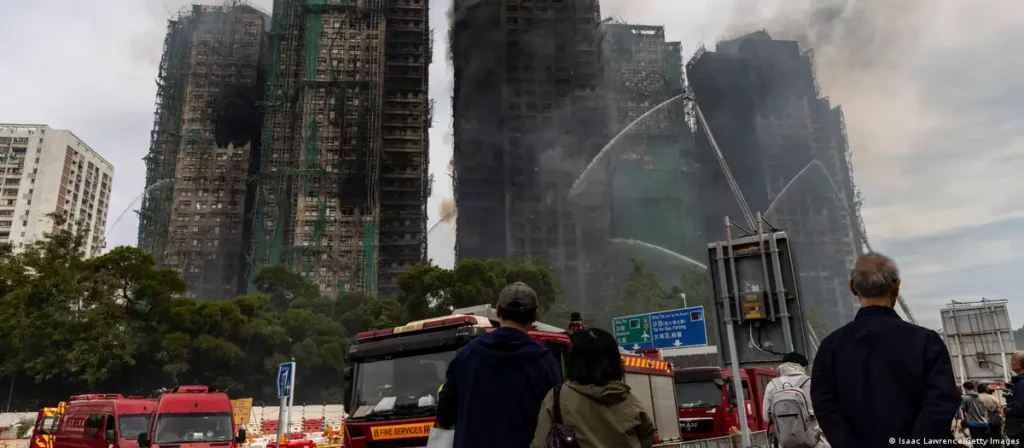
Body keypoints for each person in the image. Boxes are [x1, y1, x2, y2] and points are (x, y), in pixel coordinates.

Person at [810, 253, 960, 447]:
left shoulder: (831, 346)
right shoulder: (926, 341)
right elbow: (941, 402)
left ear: (853, 287)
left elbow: (824, 406)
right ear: (896, 286)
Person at [436, 282, 562, 448]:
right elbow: (558, 419)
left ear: (499, 311)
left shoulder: (466, 356)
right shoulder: (546, 363)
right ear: (534, 315)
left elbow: (444, 415)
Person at [530, 328, 656, 448]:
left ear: (575, 359)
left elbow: (540, 443)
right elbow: (647, 439)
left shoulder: (557, 397)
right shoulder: (629, 400)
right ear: (614, 361)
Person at [762, 352, 830, 448]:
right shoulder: (814, 383)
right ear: (803, 367)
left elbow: (766, 417)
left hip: (787, 442)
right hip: (816, 441)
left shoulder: (772, 385)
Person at [1005, 351, 1024, 446]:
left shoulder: (1021, 383)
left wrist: (1006, 410)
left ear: (1019, 364)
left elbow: (1020, 407)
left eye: (1012, 360)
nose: (1011, 363)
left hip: (1019, 429)